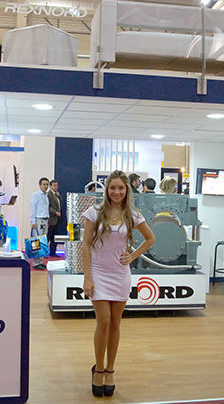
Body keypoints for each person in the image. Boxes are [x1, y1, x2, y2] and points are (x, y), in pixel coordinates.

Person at [82, 170, 156, 397]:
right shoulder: (94, 212)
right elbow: (85, 245)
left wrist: (132, 256)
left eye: (120, 188)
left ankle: (110, 370)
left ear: (127, 190)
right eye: (112, 188)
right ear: (107, 190)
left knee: (115, 323)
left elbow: (150, 238)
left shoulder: (133, 214)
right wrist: (87, 277)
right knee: (103, 320)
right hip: (98, 273)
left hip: (120, 274)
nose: (116, 192)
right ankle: (98, 369)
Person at [29, 177, 50, 270]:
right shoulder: (36, 195)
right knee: (36, 242)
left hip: (45, 220)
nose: (45, 186)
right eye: (44, 184)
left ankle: (40, 261)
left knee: (43, 242)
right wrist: (33, 221)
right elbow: (32, 208)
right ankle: (35, 262)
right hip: (38, 220)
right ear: (40, 185)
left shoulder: (46, 195)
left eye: (47, 184)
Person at [47, 179, 62, 257]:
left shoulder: (57, 194)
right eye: (54, 185)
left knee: (54, 237)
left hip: (57, 219)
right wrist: (55, 212)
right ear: (50, 186)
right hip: (51, 219)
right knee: (48, 236)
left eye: (57, 185)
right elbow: (48, 207)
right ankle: (45, 252)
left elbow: (59, 204)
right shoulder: (48, 195)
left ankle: (53, 252)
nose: (56, 187)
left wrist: (58, 196)